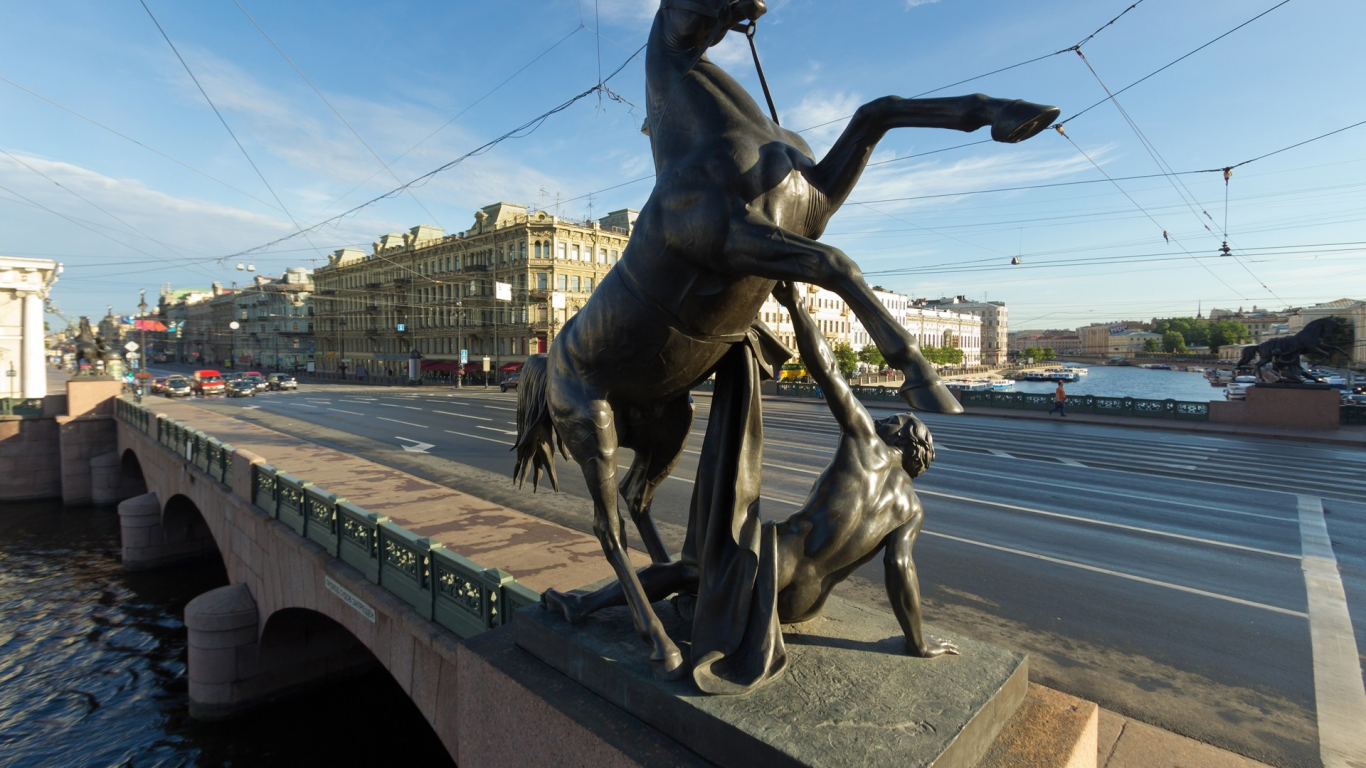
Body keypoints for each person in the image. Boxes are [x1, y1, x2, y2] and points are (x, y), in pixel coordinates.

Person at [542, 281, 958, 659]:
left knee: (685, 571)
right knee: (699, 578)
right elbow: (900, 569)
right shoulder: (911, 510)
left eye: (896, 421)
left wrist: (796, 306)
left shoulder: (867, 443)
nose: (887, 420)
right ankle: (694, 604)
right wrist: (917, 642)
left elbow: (828, 371)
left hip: (774, 566)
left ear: (904, 438)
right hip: (802, 605)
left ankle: (584, 605)